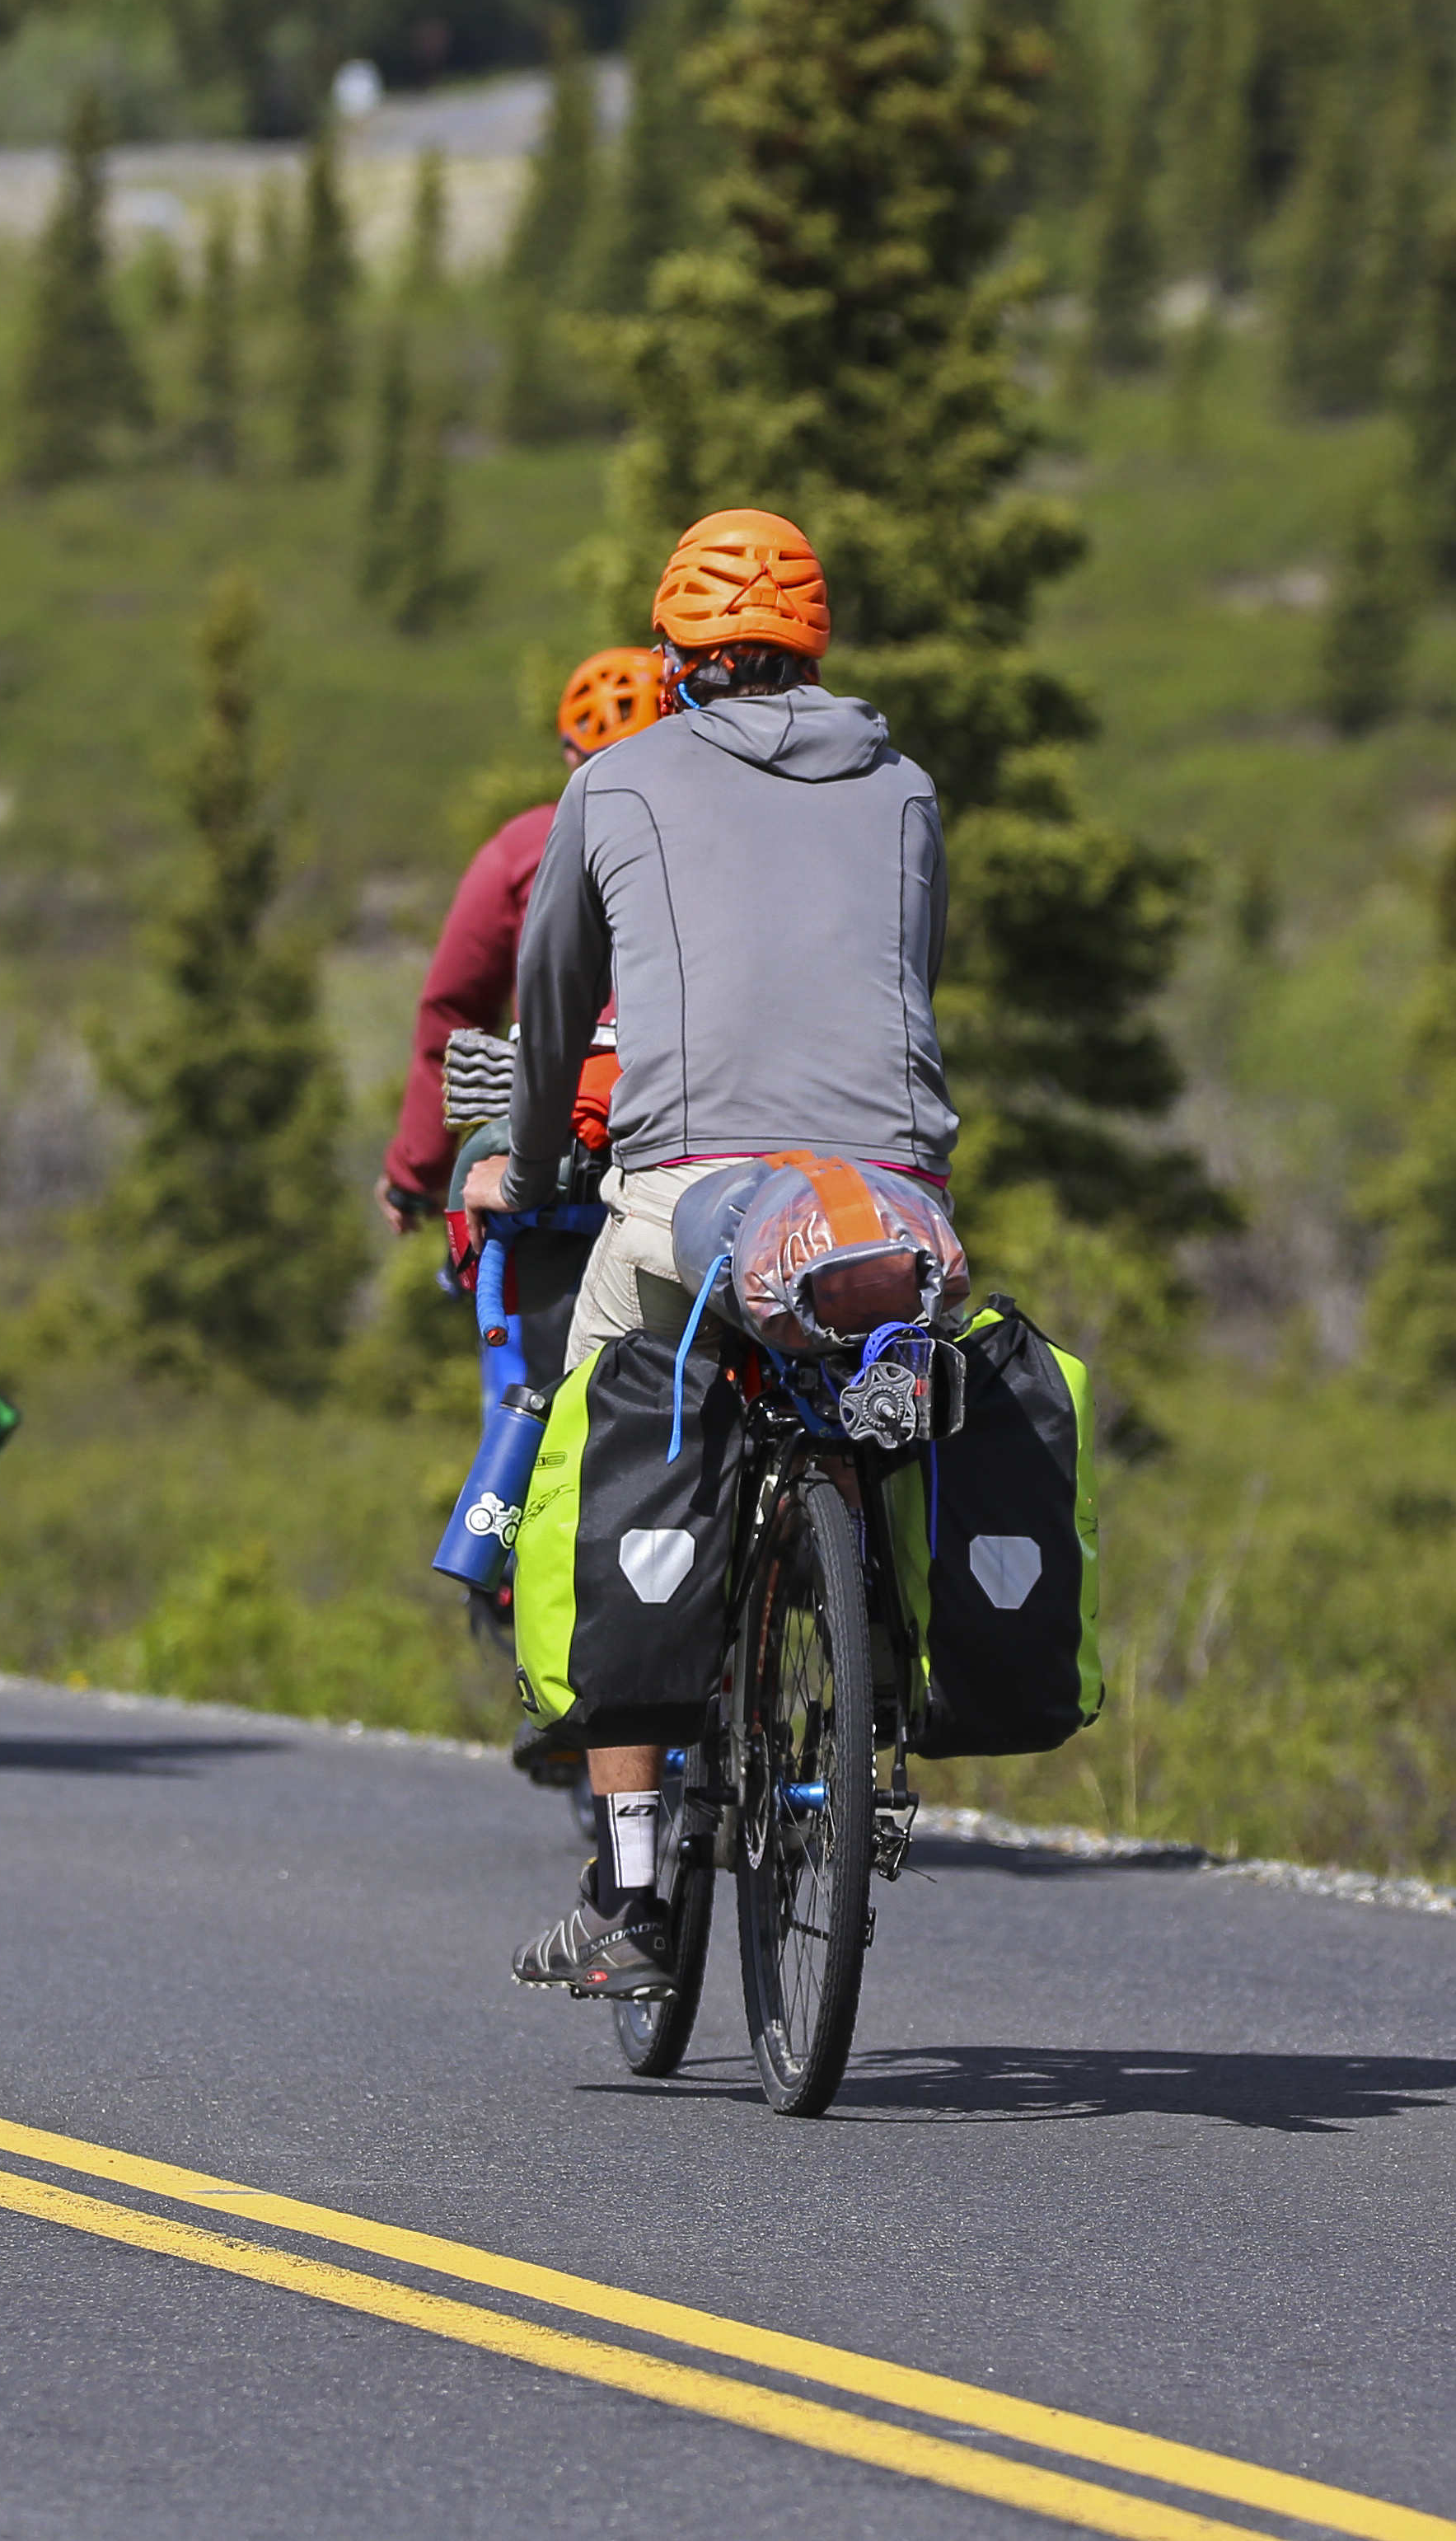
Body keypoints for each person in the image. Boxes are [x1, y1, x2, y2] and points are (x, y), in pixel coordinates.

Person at [461, 509, 953, 1997]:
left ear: (671, 653)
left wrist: (539, 1162)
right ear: (813, 649)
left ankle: (627, 1880)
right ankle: (865, 1620)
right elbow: (906, 978)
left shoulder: (612, 780)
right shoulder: (909, 786)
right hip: (885, 1194)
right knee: (886, 1365)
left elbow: (551, 1007)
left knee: (606, 1418)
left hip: (687, 1181)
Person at [376, 646, 670, 1234]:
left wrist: (416, 1172)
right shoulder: (722, 836)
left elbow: (453, 1011)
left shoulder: (522, 848)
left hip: (559, 1152)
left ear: (570, 753)